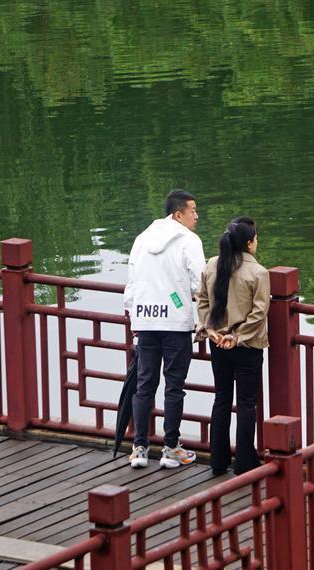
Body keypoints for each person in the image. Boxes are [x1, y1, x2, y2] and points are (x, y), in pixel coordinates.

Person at [123, 189, 205, 468]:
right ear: (178, 214)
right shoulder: (189, 241)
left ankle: (140, 448)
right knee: (174, 386)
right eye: (192, 211)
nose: (197, 216)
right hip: (176, 323)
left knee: (145, 385)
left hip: (145, 320)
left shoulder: (142, 239)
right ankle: (171, 448)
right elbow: (199, 284)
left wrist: (134, 316)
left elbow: (132, 282)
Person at [196, 216, 269, 476]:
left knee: (222, 398)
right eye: (256, 238)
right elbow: (259, 313)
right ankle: (245, 462)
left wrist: (211, 330)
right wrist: (237, 337)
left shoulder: (212, 265)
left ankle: (218, 460)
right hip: (246, 346)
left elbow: (202, 300)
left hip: (218, 344)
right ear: (249, 243)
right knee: (247, 403)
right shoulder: (258, 272)